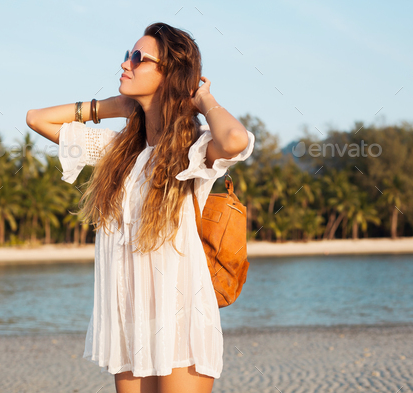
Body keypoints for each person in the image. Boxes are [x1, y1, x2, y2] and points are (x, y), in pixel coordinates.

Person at [26, 22, 255, 393]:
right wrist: (113, 106)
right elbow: (37, 118)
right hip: (130, 320)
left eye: (138, 58)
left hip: (182, 320)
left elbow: (235, 139)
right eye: (126, 55)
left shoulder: (192, 149)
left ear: (169, 75)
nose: (125, 64)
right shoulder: (119, 151)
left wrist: (203, 99)